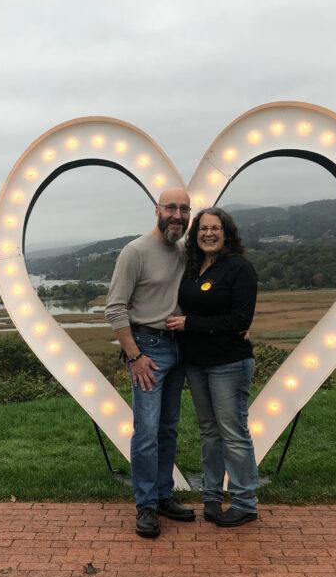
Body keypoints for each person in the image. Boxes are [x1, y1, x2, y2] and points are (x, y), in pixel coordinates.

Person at [105, 186, 196, 538]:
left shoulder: (185, 252)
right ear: (157, 209)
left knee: (168, 427)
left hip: (179, 348)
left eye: (184, 209)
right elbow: (115, 308)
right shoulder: (135, 251)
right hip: (148, 349)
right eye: (171, 207)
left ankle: (162, 496)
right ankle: (145, 505)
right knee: (146, 430)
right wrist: (135, 355)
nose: (177, 215)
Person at [166, 207, 259, 527]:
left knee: (233, 432)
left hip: (229, 363)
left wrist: (191, 323)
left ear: (227, 233)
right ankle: (212, 496)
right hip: (197, 363)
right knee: (209, 432)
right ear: (196, 234)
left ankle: (245, 501)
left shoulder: (239, 268)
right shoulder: (192, 268)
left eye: (215, 228)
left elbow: (240, 320)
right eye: (203, 228)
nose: (208, 233)